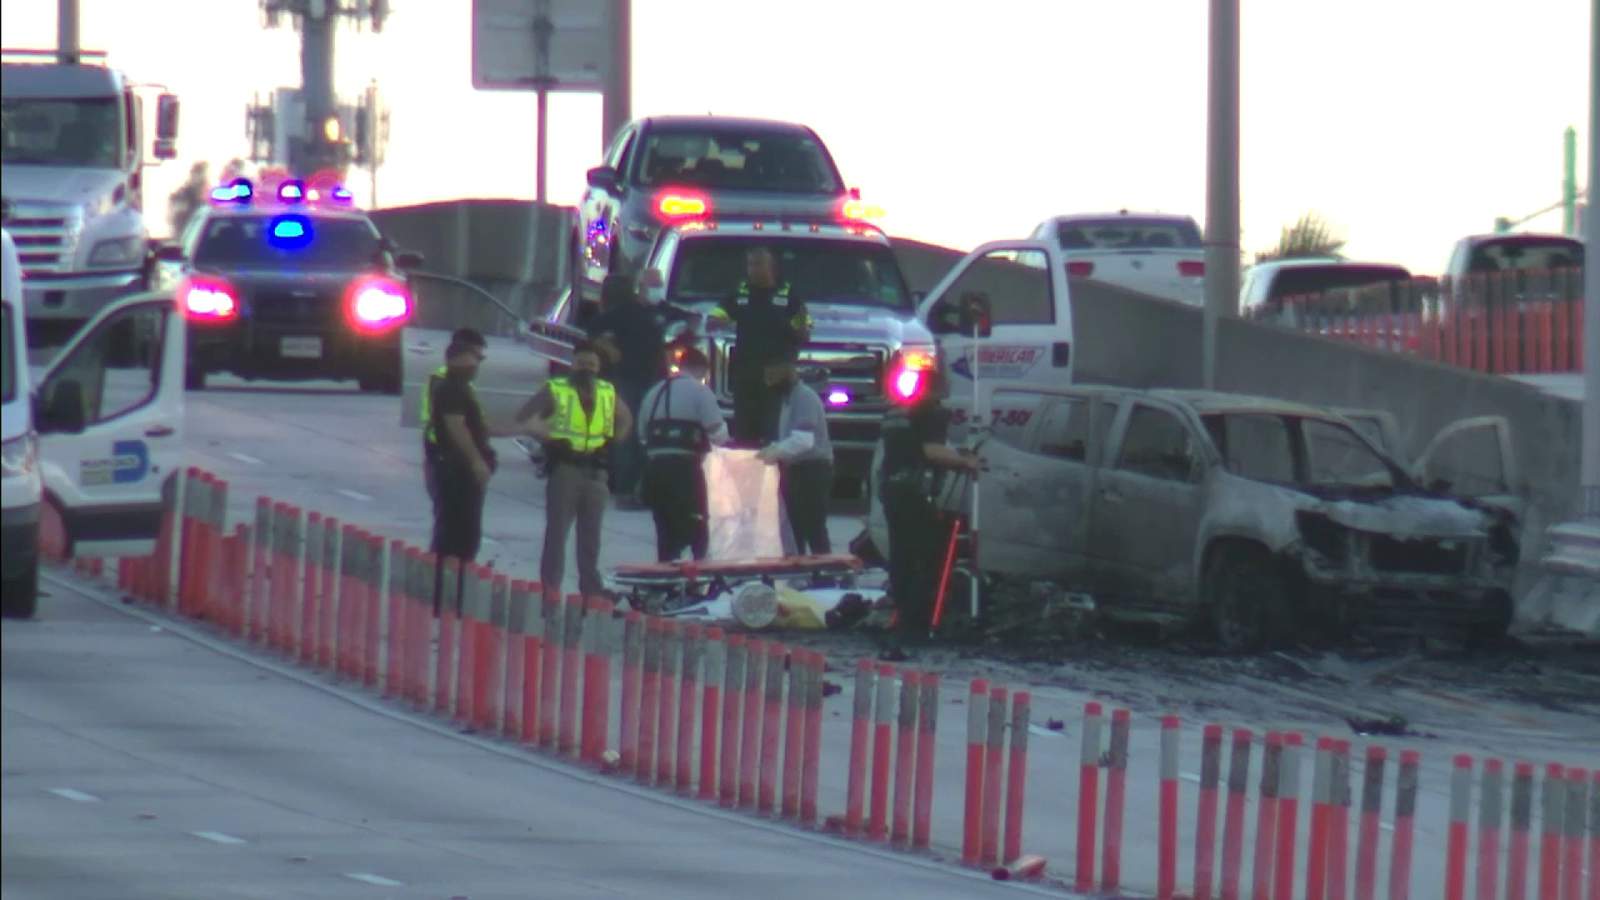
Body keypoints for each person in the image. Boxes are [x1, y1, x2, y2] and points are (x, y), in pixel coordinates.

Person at [514, 340, 634, 598]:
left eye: (592, 364)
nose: (586, 368)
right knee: (557, 535)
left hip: (596, 472)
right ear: (572, 363)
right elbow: (525, 418)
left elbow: (625, 418)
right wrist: (549, 439)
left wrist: (614, 442)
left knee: (591, 538)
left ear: (599, 367)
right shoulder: (555, 389)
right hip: (565, 470)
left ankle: (591, 591)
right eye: (581, 363)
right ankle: (550, 591)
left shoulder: (606, 391)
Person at [877, 367, 979, 646]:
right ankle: (917, 620)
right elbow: (931, 450)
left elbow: (912, 446)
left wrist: (955, 455)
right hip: (915, 491)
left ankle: (901, 612)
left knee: (901, 555)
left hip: (891, 488)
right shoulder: (930, 411)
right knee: (928, 555)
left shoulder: (896, 413)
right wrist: (966, 462)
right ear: (937, 389)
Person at [708, 247, 812, 444]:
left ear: (771, 267)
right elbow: (715, 317)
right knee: (744, 437)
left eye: (757, 264)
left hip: (776, 377)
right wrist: (718, 320)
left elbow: (805, 332)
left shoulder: (789, 295)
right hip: (745, 376)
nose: (752, 270)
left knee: (775, 433)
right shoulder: (740, 292)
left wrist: (794, 328)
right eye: (749, 265)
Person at [428, 332, 501, 613]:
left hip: (458, 470)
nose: (478, 366)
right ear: (458, 359)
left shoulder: (460, 388)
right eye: (475, 359)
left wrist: (524, 427)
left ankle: (453, 596)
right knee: (457, 536)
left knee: (463, 536)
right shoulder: (452, 388)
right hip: (456, 472)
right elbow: (457, 427)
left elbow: (478, 428)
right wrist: (476, 462)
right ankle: (447, 599)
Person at [636, 346, 729, 561]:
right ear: (702, 370)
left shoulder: (654, 392)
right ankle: (696, 580)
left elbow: (642, 435)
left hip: (655, 471)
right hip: (685, 471)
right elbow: (717, 433)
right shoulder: (700, 391)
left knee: (665, 531)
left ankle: (665, 578)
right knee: (696, 527)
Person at [587, 274, 666, 508]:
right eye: (652, 285)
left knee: (649, 436)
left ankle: (644, 491)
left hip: (655, 382)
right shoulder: (625, 312)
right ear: (640, 287)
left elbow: (688, 319)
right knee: (628, 435)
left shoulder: (661, 311)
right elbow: (593, 330)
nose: (656, 289)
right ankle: (623, 490)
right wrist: (608, 349)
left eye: (658, 285)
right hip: (628, 380)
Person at [756, 353, 834, 556]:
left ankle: (823, 572)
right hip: (798, 469)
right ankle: (800, 571)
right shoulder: (789, 400)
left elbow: (803, 440)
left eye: (771, 377)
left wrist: (774, 452)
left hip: (812, 469)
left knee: (813, 525)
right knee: (795, 526)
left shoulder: (803, 398)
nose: (768, 383)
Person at [420, 328, 490, 509]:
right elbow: (455, 423)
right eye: (477, 355)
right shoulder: (446, 381)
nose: (478, 362)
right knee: (449, 514)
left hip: (451, 454)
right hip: (444, 454)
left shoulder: (460, 381)